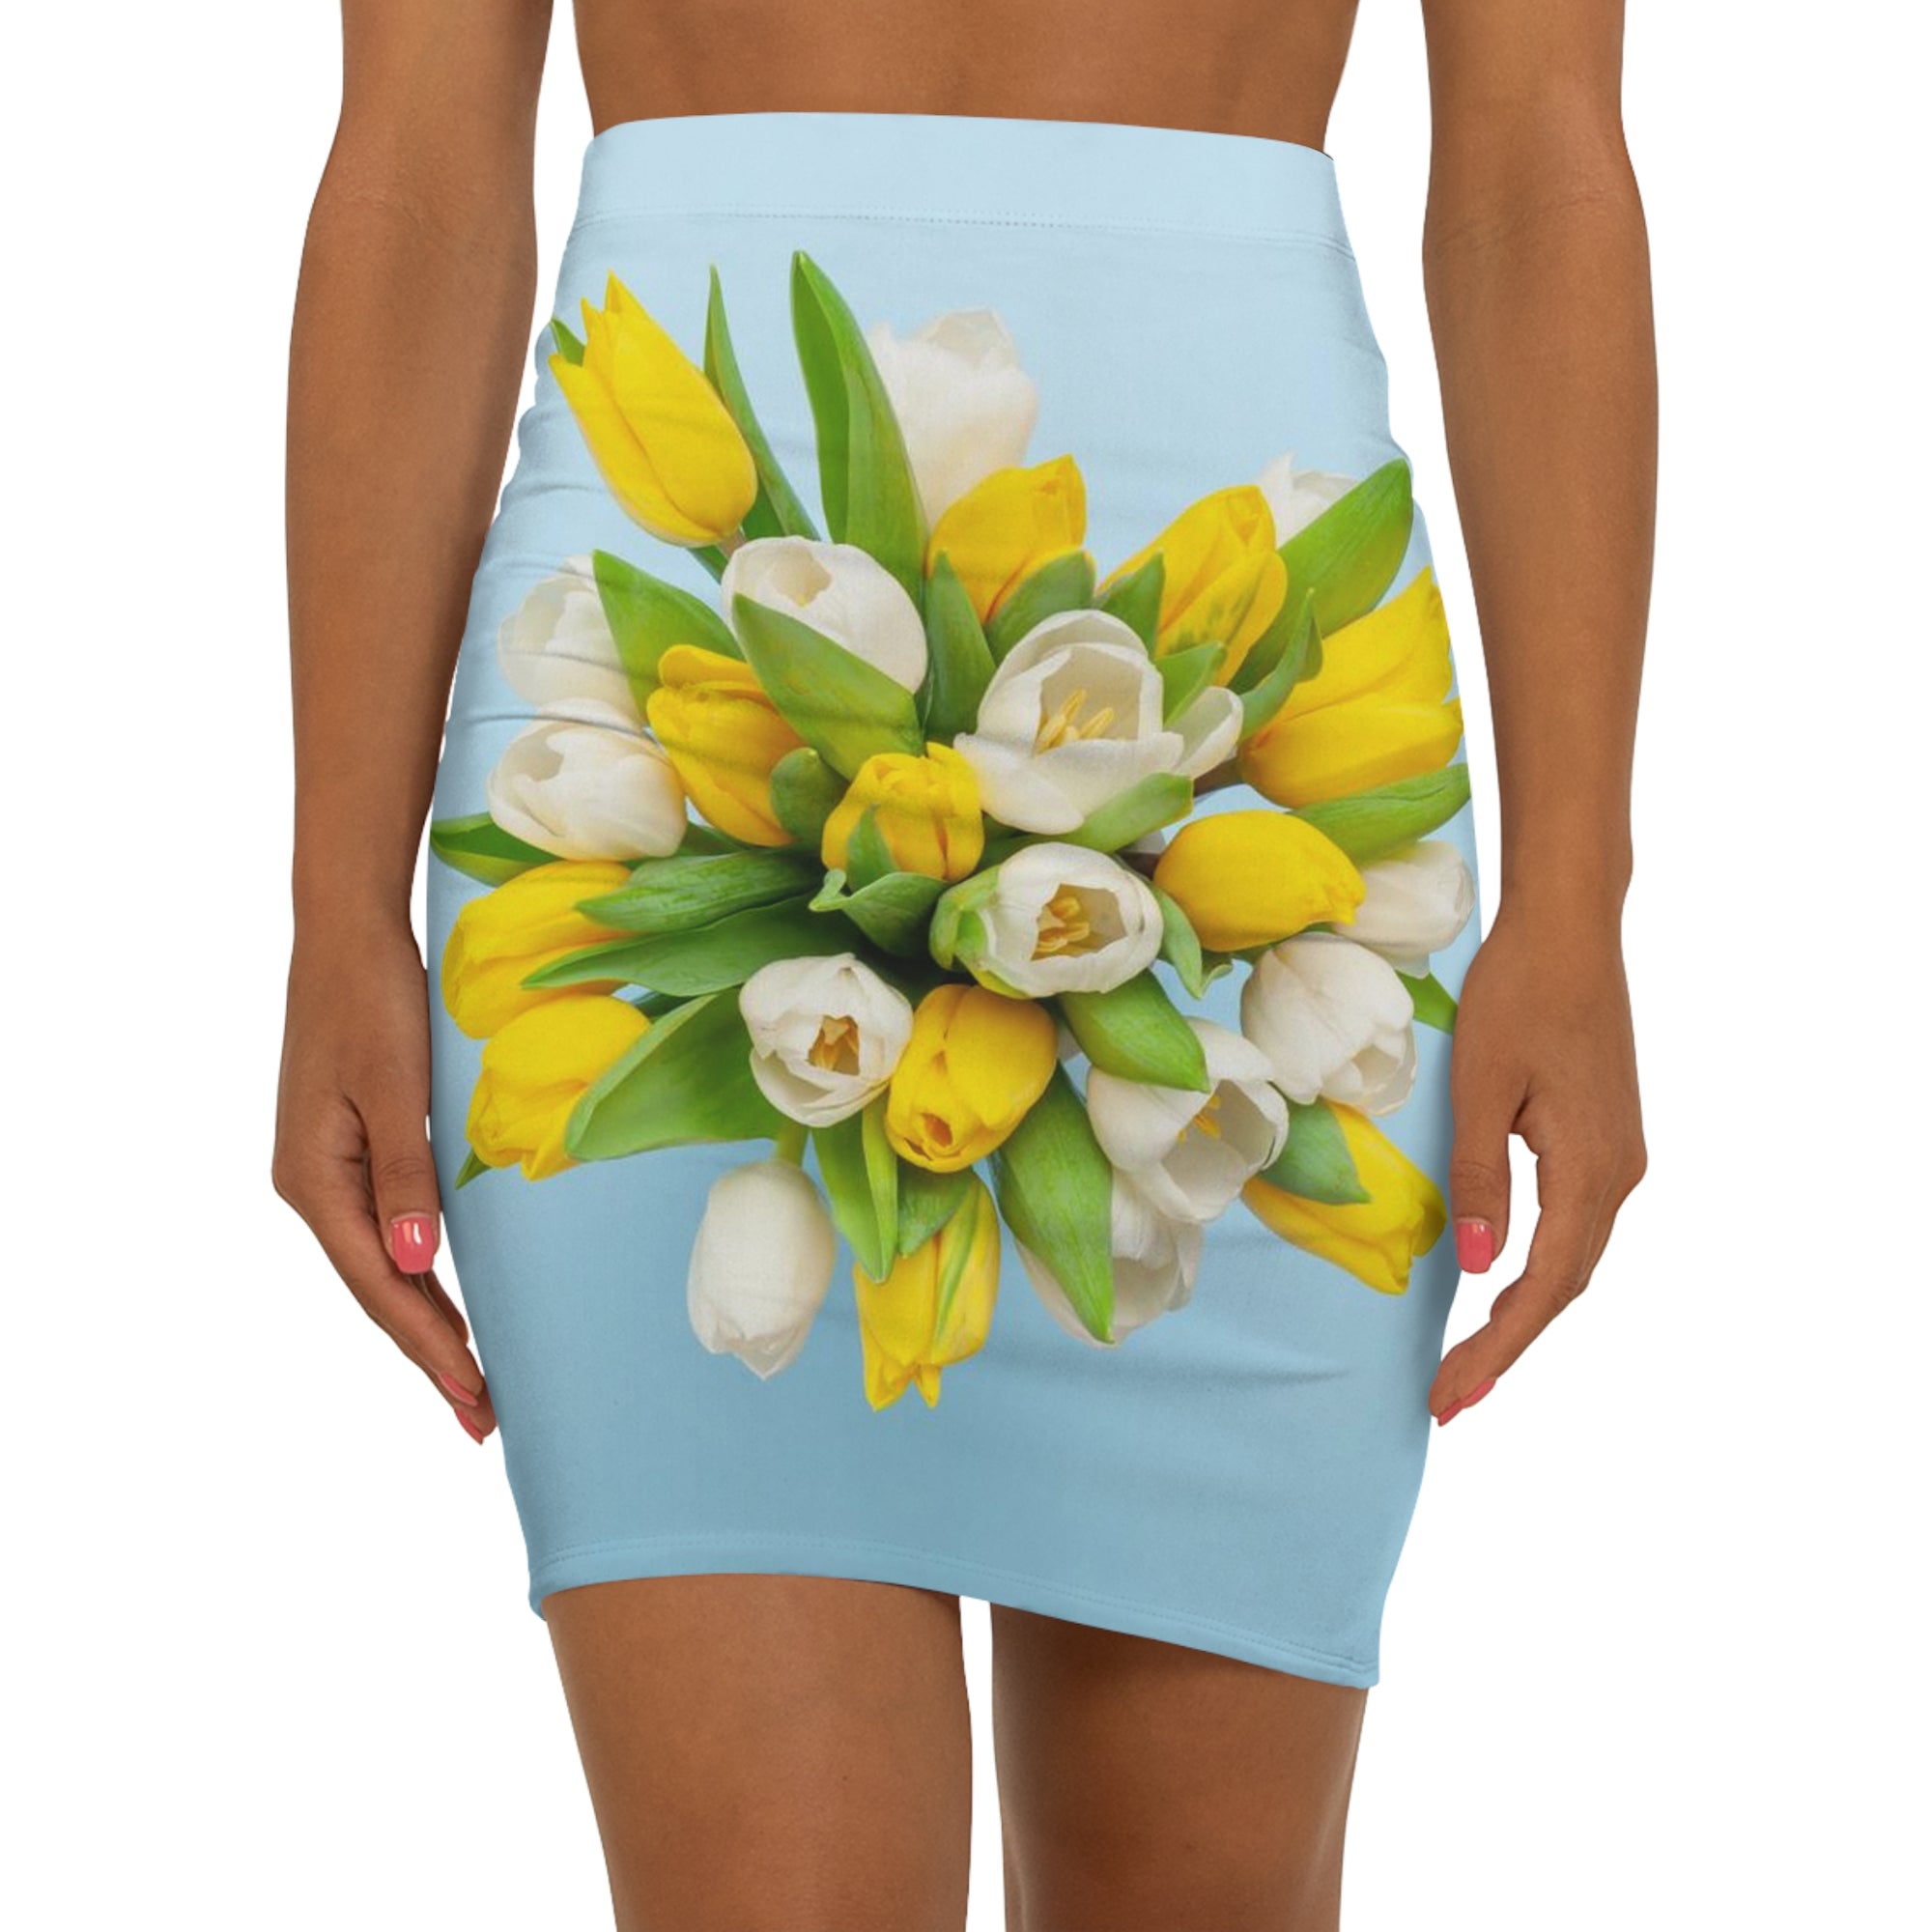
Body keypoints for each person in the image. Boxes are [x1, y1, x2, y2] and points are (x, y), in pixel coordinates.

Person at [274, 1, 1650, 1924]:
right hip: (672, 706)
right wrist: (332, 902)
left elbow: (1533, 158)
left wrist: (1581, 898)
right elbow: (419, 169)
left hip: (1263, 742)